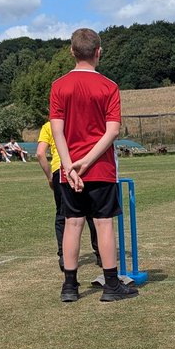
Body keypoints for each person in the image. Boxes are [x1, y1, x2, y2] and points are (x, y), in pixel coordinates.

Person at [49, 27, 139, 304]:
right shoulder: (109, 86)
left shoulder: (59, 86)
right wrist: (87, 162)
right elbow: (112, 131)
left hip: (70, 171)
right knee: (104, 225)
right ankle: (111, 286)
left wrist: (69, 167)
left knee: (72, 223)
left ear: (72, 51)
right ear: (99, 52)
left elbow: (56, 130)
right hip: (100, 168)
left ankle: (69, 287)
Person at [36, 118, 102, 275]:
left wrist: (50, 177)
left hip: (60, 170)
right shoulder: (77, 122)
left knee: (63, 215)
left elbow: (40, 154)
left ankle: (64, 257)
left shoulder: (48, 126)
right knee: (92, 213)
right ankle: (101, 254)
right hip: (81, 167)